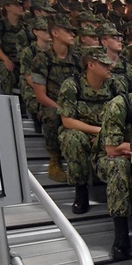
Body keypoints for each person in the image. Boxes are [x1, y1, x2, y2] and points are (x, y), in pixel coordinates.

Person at [57, 46, 125, 215]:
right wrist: (98, 132)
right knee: (72, 139)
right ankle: (81, 192)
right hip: (84, 132)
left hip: (108, 133)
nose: (110, 68)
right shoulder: (72, 85)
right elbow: (67, 121)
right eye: (104, 65)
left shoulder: (115, 85)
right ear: (91, 65)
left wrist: (105, 135)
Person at [30, 14, 81, 183]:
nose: (72, 34)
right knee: (52, 116)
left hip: (75, 105)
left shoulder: (77, 59)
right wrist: (62, 110)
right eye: (67, 31)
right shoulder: (42, 60)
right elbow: (40, 96)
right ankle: (55, 159)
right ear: (56, 33)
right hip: (53, 104)